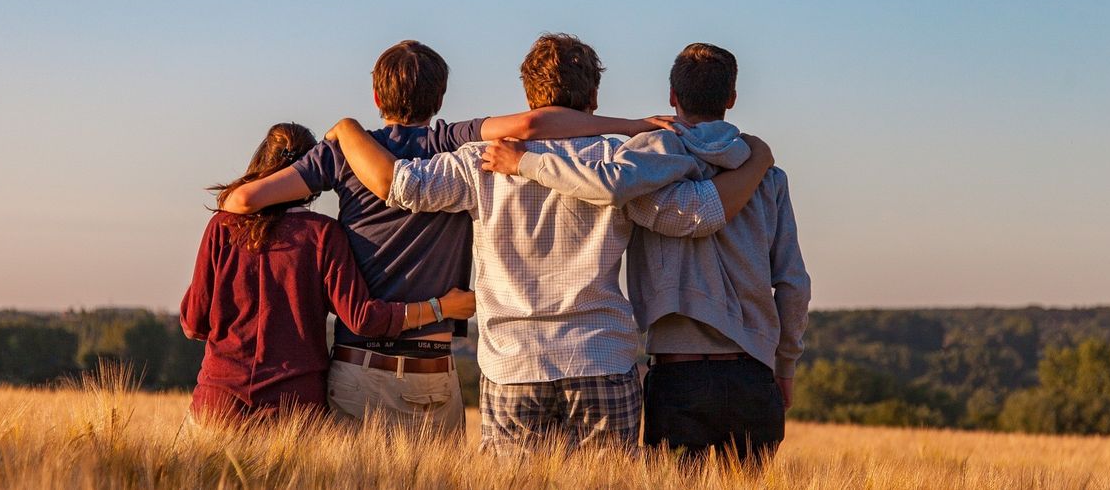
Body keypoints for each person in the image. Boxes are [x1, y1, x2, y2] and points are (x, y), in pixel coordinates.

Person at [326, 33, 775, 454]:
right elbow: (696, 215)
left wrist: (347, 130)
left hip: (512, 365)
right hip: (601, 357)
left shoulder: (479, 161)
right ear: (594, 99)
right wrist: (757, 162)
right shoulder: (619, 163)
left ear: (528, 97)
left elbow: (401, 185)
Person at [218, 40, 680, 434]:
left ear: (377, 96)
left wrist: (342, 132)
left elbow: (241, 203)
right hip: (433, 369)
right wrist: (633, 126)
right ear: (440, 98)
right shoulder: (452, 141)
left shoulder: (343, 153)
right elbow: (532, 125)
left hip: (359, 364)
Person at [482, 43, 810, 465]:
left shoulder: (645, 162)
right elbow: (793, 284)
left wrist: (526, 162)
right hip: (754, 373)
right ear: (731, 98)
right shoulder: (768, 176)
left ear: (672, 96)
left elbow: (608, 185)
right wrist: (785, 366)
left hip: (678, 375)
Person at [180, 122, 476, 424]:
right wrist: (441, 307)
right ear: (311, 174)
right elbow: (362, 318)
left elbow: (194, 324)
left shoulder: (222, 227)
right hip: (294, 411)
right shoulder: (323, 234)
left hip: (217, 404)